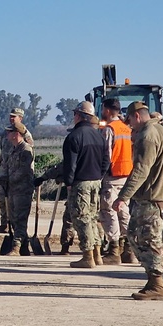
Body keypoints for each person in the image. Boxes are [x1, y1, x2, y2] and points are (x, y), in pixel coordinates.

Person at [113, 101, 163, 300]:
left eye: (130, 119)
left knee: (146, 238)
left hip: (150, 196)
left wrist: (123, 196)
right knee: (139, 235)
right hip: (160, 193)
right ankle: (154, 280)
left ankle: (156, 283)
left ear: (137, 116)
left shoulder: (147, 135)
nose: (129, 124)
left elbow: (141, 169)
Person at [60, 101, 109, 269]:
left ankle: (87, 256)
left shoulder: (74, 137)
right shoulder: (99, 136)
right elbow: (106, 161)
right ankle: (97, 254)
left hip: (80, 183)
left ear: (79, 116)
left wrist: (69, 183)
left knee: (81, 218)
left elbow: (70, 164)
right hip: (96, 182)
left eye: (75, 114)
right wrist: (99, 176)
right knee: (93, 218)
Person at [99, 98, 134, 265]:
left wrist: (100, 175)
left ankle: (114, 250)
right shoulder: (127, 129)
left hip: (112, 175)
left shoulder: (109, 129)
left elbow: (106, 154)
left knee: (109, 211)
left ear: (106, 110)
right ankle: (129, 249)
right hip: (127, 175)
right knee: (123, 210)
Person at [0, 107, 34, 233]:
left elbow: (29, 148)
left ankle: (16, 227)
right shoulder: (5, 133)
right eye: (10, 116)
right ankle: (4, 222)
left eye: (14, 117)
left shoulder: (24, 133)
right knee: (2, 198)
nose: (11, 119)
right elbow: (2, 150)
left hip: (18, 170)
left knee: (15, 201)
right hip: (5, 168)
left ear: (20, 118)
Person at [0, 121, 35, 255]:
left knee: (20, 219)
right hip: (12, 190)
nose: (7, 135)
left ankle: (16, 246)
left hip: (22, 190)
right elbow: (7, 166)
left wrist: (10, 179)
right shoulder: (13, 149)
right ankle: (24, 246)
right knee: (13, 219)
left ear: (16, 134)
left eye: (9, 132)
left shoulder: (25, 150)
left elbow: (24, 170)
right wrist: (3, 178)